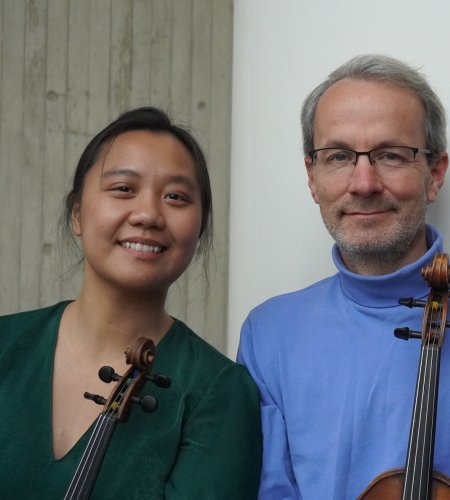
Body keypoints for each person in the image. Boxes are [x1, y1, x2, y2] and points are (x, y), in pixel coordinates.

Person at [237, 54, 450, 499]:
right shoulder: (268, 333)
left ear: (434, 173)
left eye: (391, 155)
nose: (364, 183)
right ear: (312, 177)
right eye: (338, 157)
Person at [0, 107, 261, 498]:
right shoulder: (7, 342)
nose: (148, 214)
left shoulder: (218, 393)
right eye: (123, 188)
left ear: (200, 227)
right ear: (77, 213)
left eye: (176, 196)